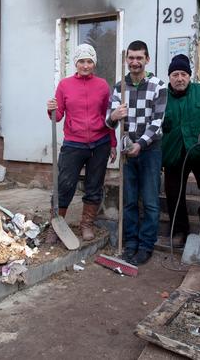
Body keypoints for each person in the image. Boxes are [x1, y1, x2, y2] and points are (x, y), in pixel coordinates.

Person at [46, 44, 117, 243]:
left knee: (94, 186)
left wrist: (112, 142)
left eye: (89, 61)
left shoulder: (102, 85)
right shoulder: (64, 85)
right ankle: (55, 224)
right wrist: (51, 109)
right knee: (64, 185)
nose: (85, 65)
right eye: (82, 61)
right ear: (75, 63)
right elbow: (58, 117)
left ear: (94, 63)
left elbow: (109, 117)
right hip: (73, 144)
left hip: (99, 143)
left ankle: (86, 224)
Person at [106, 40, 167, 266]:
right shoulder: (119, 87)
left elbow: (158, 122)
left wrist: (140, 144)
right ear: (126, 60)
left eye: (139, 58)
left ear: (147, 59)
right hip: (126, 151)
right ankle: (130, 243)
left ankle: (145, 245)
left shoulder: (158, 86)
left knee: (150, 201)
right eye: (131, 58)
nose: (135, 62)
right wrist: (114, 116)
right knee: (129, 200)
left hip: (150, 150)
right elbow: (108, 121)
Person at [160, 54, 200, 248]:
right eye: (175, 74)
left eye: (183, 74)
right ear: (169, 77)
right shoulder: (161, 97)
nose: (179, 78)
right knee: (174, 193)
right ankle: (179, 230)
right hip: (173, 153)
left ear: (189, 76)